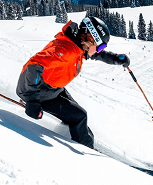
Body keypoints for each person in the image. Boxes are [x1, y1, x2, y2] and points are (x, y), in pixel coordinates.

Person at [16, 16, 130, 149]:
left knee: (80, 118)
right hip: (38, 92)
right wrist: (32, 100)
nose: (98, 50)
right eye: (99, 46)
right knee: (79, 116)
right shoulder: (66, 50)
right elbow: (33, 66)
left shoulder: (78, 45)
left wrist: (116, 59)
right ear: (89, 37)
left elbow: (98, 54)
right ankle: (84, 150)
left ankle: (83, 142)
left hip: (52, 89)